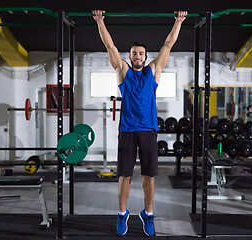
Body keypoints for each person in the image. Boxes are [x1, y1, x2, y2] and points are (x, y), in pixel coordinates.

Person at [92, 10, 187, 236]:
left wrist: (179, 21)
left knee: (149, 175)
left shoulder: (153, 71)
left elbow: (167, 45)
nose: (138, 56)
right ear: (130, 55)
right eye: (134, 53)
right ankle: (122, 213)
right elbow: (110, 46)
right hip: (127, 130)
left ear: (145, 56)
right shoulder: (122, 71)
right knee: (124, 175)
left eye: (141, 53)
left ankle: (149, 213)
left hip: (148, 130)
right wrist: (100, 21)